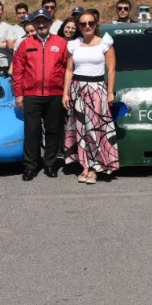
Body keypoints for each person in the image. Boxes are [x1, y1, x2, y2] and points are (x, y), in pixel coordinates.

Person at [63, 12, 119, 183]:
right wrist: (65, 92)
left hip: (97, 90)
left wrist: (110, 92)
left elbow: (111, 70)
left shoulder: (105, 44)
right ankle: (84, 166)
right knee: (80, 129)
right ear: (79, 26)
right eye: (83, 24)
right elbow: (69, 70)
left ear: (96, 24)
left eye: (90, 23)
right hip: (77, 89)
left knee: (95, 129)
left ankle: (95, 168)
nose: (87, 26)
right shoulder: (74, 45)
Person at [13, 9, 68, 180]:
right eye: (38, 22)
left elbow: (68, 69)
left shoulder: (61, 43)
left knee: (53, 131)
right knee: (32, 131)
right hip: (32, 95)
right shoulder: (25, 44)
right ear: (33, 24)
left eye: (45, 21)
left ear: (51, 23)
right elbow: (18, 71)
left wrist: (66, 92)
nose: (41, 25)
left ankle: (50, 164)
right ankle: (30, 166)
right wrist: (19, 94)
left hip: (55, 94)